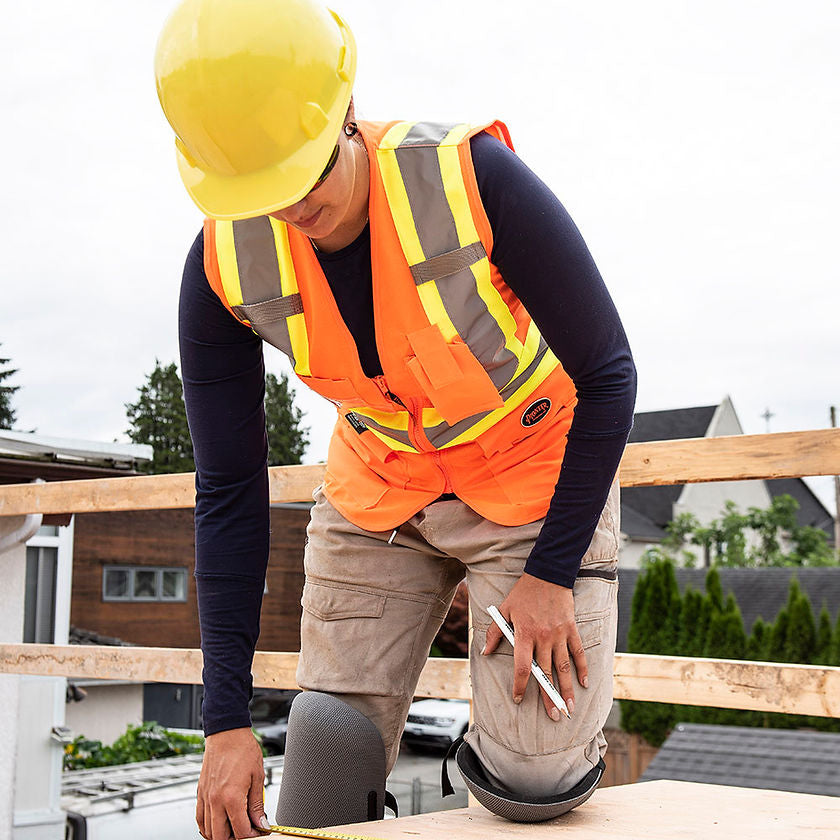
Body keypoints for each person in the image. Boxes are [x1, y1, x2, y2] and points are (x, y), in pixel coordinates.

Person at [155, 0, 636, 836]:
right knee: (325, 755)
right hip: (381, 491)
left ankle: (495, 769)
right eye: (260, 193)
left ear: (344, 114)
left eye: (302, 178)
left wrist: (552, 575)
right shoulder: (221, 265)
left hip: (533, 486)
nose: (290, 213)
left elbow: (611, 376)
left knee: (538, 779)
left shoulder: (468, 177)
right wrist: (224, 719)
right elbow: (228, 489)